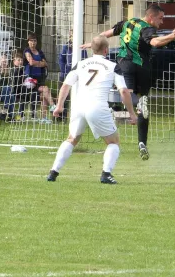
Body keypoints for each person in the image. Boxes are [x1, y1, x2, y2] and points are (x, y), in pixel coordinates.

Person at [82, 4, 175, 160]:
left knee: (127, 94)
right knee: (143, 101)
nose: (161, 22)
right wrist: (171, 36)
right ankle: (142, 142)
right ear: (151, 17)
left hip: (125, 64)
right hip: (142, 66)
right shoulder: (147, 28)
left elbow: (107, 33)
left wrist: (93, 44)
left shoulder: (127, 22)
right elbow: (154, 43)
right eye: (160, 18)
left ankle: (135, 109)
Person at [46, 36, 138, 184]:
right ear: (106, 50)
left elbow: (65, 85)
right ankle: (106, 174)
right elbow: (124, 92)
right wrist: (132, 114)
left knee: (71, 139)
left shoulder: (80, 64)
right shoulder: (112, 66)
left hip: (79, 106)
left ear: (91, 49)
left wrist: (59, 106)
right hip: (97, 107)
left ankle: (53, 172)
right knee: (113, 141)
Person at [23, 34, 56, 123]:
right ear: (28, 41)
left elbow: (45, 64)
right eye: (31, 41)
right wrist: (39, 63)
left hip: (40, 77)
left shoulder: (40, 52)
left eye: (35, 41)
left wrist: (37, 63)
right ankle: (53, 105)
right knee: (45, 89)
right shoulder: (27, 51)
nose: (33, 43)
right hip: (30, 79)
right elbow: (31, 62)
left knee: (44, 95)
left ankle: (43, 118)